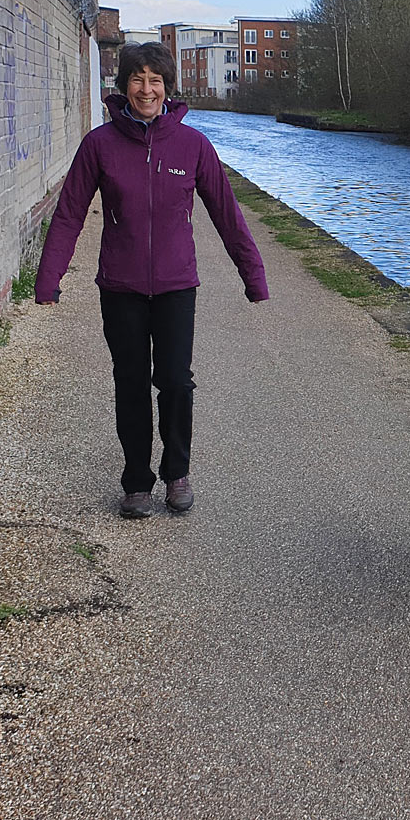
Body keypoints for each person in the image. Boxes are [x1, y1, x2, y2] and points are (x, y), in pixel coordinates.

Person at [34, 42, 269, 519]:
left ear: (167, 89)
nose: (146, 89)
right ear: (123, 87)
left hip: (176, 285)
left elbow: (227, 215)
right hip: (120, 286)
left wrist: (253, 275)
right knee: (131, 383)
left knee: (176, 382)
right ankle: (137, 482)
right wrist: (49, 277)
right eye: (137, 79)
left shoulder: (193, 145)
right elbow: (68, 215)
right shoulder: (99, 145)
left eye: (155, 81)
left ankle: (177, 472)